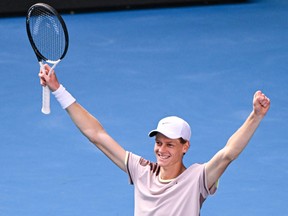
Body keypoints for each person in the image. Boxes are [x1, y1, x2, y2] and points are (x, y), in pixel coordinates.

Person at [39, 64, 270, 216]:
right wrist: (59, 90)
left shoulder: (197, 179)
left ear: (185, 147)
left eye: (170, 144)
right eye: (159, 143)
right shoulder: (141, 171)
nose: (161, 150)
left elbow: (228, 153)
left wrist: (255, 116)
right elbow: (97, 135)